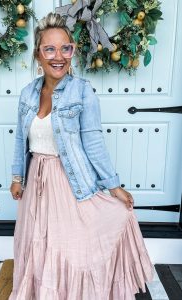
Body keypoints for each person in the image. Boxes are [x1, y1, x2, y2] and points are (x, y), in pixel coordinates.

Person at [9, 12, 154, 300]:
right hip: (35, 182)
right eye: (49, 49)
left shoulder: (82, 92)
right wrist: (17, 177)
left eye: (66, 48)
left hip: (68, 182)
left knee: (69, 246)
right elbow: (19, 139)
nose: (58, 56)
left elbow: (94, 141)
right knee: (38, 244)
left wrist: (113, 186)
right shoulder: (27, 94)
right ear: (38, 55)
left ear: (73, 51)